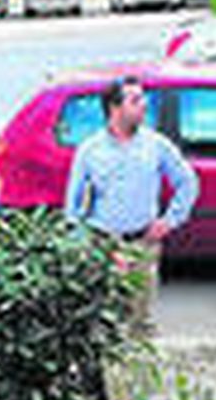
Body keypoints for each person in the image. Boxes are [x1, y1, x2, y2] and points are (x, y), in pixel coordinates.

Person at [63, 75, 199, 331]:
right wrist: (92, 250)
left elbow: (188, 182)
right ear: (115, 108)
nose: (144, 105)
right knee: (102, 323)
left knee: (139, 323)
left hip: (142, 246)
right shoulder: (90, 151)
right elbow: (74, 208)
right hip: (103, 248)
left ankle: (136, 367)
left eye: (143, 98)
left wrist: (170, 221)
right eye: (135, 100)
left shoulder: (156, 146)